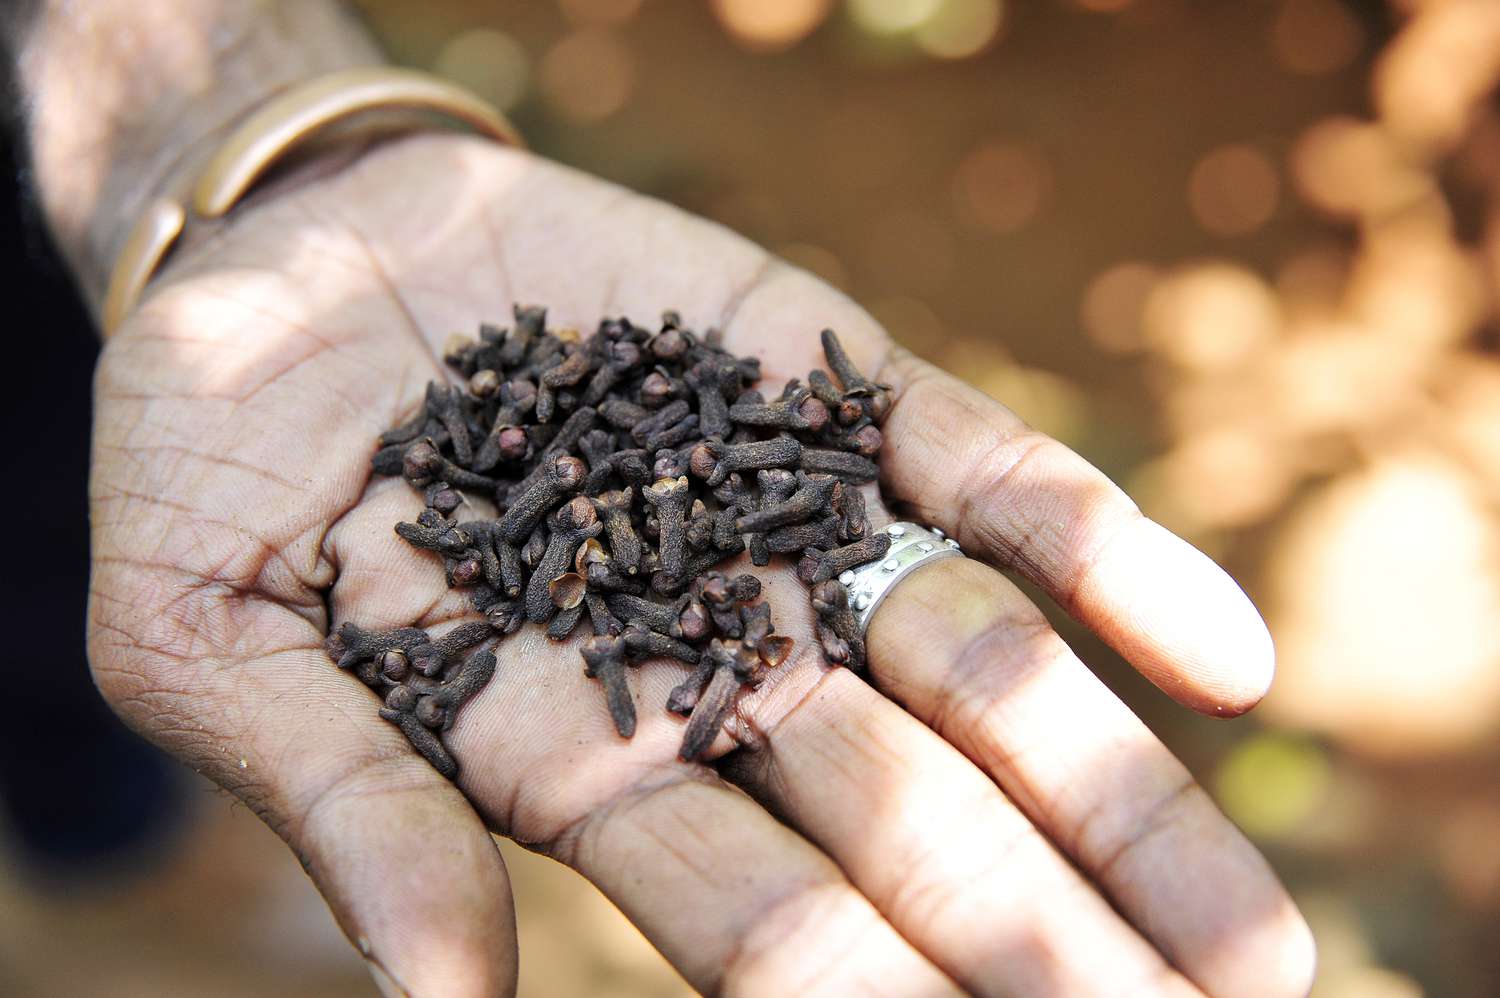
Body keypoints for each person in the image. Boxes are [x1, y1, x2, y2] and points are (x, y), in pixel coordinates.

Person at [3, 2, 1315, 995]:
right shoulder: (525, 501)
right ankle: (105, 841)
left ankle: (102, 827)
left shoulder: (685, 469)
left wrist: (211, 128)